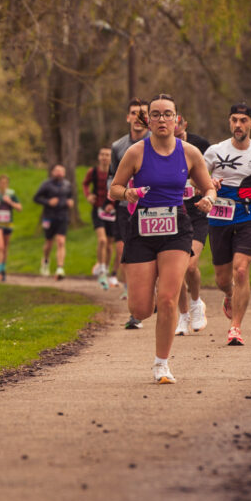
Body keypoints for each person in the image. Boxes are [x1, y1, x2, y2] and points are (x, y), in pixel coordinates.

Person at [109, 94, 216, 384]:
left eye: (167, 114)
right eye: (155, 115)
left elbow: (208, 188)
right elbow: (114, 188)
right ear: (148, 120)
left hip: (176, 227)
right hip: (142, 229)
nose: (161, 120)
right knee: (141, 309)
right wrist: (127, 193)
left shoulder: (190, 152)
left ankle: (161, 364)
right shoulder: (135, 152)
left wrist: (207, 199)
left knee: (168, 298)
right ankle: (151, 289)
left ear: (177, 119)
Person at [204, 103, 251, 346]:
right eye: (235, 120)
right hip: (218, 217)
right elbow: (198, 183)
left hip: (247, 215)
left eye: (243, 120)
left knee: (241, 269)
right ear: (230, 123)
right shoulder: (214, 152)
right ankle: (229, 295)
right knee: (222, 279)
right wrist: (209, 185)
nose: (238, 125)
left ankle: (235, 327)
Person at [109, 97, 150, 328]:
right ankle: (135, 313)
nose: (138, 117)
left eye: (142, 113)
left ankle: (159, 299)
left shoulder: (156, 143)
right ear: (128, 117)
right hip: (127, 209)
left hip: (152, 208)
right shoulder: (118, 147)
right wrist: (118, 193)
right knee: (130, 255)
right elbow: (111, 177)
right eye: (134, 113)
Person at [173, 116, 212, 335]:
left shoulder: (201, 145)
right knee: (176, 270)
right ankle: (183, 315)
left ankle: (196, 303)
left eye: (178, 124)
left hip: (197, 212)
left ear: (185, 124)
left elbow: (211, 173)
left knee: (189, 266)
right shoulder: (161, 148)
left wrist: (206, 187)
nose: (174, 128)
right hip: (175, 214)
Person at [33, 164, 74, 280]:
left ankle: (60, 268)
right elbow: (36, 198)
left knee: (61, 241)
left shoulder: (67, 185)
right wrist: (48, 202)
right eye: (57, 170)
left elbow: (70, 197)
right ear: (52, 172)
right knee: (49, 243)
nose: (59, 173)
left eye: (61, 171)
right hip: (49, 217)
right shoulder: (46, 185)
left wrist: (70, 202)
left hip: (63, 216)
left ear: (64, 173)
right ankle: (45, 261)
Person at [83, 147, 116, 289]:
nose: (104, 157)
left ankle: (106, 269)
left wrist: (113, 204)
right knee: (102, 240)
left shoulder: (114, 172)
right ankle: (101, 268)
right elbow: (85, 184)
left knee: (109, 244)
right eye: (102, 154)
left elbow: (119, 187)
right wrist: (88, 195)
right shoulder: (93, 172)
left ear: (111, 157)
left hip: (111, 211)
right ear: (98, 157)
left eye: (107, 155)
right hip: (98, 210)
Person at [0, 174, 23, 281]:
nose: (3, 185)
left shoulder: (11, 194)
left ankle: (3, 270)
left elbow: (19, 208)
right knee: (0, 246)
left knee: (5, 247)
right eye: (1, 183)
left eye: (5, 183)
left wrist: (10, 202)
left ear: (7, 184)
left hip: (8, 223)